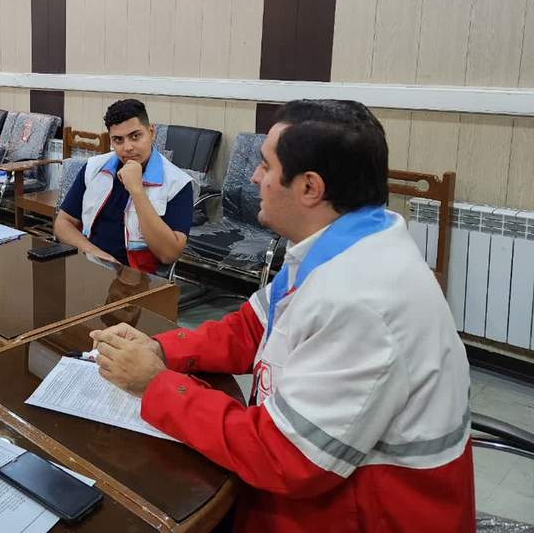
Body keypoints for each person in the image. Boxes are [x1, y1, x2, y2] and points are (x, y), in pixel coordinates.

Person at [89, 100, 474, 532]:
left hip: (368, 513)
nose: (254, 177)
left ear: (309, 188)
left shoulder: (362, 299)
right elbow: (250, 328)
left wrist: (156, 384)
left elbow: (283, 456)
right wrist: (160, 348)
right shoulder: (337, 241)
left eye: (266, 166)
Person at [54, 99, 193, 274]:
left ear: (151, 133)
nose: (128, 147)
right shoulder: (94, 168)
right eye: (118, 140)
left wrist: (137, 191)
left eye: (135, 136)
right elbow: (63, 223)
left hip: (140, 277)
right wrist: (96, 255)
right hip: (91, 266)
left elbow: (169, 255)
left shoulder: (178, 183)